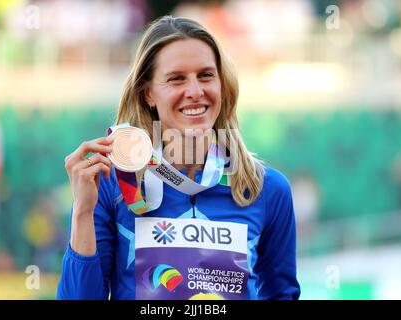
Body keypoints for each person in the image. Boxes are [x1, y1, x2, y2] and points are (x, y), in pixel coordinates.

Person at [57, 16, 300, 300]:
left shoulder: (266, 190)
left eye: (206, 75)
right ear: (148, 93)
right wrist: (83, 212)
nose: (195, 92)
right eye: (176, 79)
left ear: (222, 84)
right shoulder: (113, 185)